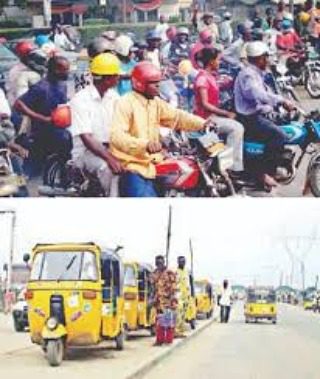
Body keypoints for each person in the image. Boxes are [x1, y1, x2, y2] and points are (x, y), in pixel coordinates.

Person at [110, 61, 215, 197]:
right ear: (140, 84)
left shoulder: (155, 102)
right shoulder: (124, 103)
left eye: (159, 82)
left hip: (156, 162)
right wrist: (145, 145)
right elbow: (117, 136)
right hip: (134, 166)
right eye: (154, 83)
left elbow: (177, 117)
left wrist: (203, 124)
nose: (158, 86)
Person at [234, 41, 295, 188]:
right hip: (249, 118)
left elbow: (266, 94)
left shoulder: (256, 73)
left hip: (257, 114)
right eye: (266, 57)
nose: (268, 60)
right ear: (259, 58)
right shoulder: (248, 74)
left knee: (288, 127)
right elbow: (256, 94)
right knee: (279, 136)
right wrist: (281, 101)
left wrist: (277, 105)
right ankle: (265, 173)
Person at [69, 53, 122, 197]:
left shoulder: (114, 96)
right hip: (87, 153)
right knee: (111, 170)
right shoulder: (81, 100)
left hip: (111, 148)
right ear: (106, 78)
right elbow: (87, 138)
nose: (119, 77)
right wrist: (110, 158)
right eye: (116, 75)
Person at [14, 56, 72, 175]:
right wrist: (42, 118)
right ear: (56, 70)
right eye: (65, 69)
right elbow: (18, 104)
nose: (68, 72)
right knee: (26, 175)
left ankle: (64, 179)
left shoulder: (62, 85)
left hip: (56, 130)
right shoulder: (41, 87)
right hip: (40, 134)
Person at [194, 48, 244, 176]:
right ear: (211, 62)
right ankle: (231, 167)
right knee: (237, 128)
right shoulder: (202, 79)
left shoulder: (210, 76)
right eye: (218, 60)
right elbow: (205, 104)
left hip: (212, 116)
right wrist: (225, 113)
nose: (219, 62)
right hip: (206, 119)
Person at [150, 255, 177, 345]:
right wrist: (152, 298)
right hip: (158, 302)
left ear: (164, 262)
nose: (159, 264)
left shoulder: (169, 273)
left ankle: (168, 340)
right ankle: (159, 340)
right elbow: (152, 287)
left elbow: (173, 287)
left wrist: (169, 296)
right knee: (159, 322)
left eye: (160, 262)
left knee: (168, 322)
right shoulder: (154, 273)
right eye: (157, 263)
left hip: (168, 301)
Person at [175, 256, 190, 337]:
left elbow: (187, 284)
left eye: (184, 261)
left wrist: (188, 295)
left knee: (184, 314)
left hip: (185, 296)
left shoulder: (186, 271)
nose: (182, 263)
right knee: (178, 314)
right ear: (178, 262)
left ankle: (181, 331)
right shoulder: (176, 272)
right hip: (179, 295)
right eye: (181, 261)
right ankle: (176, 331)